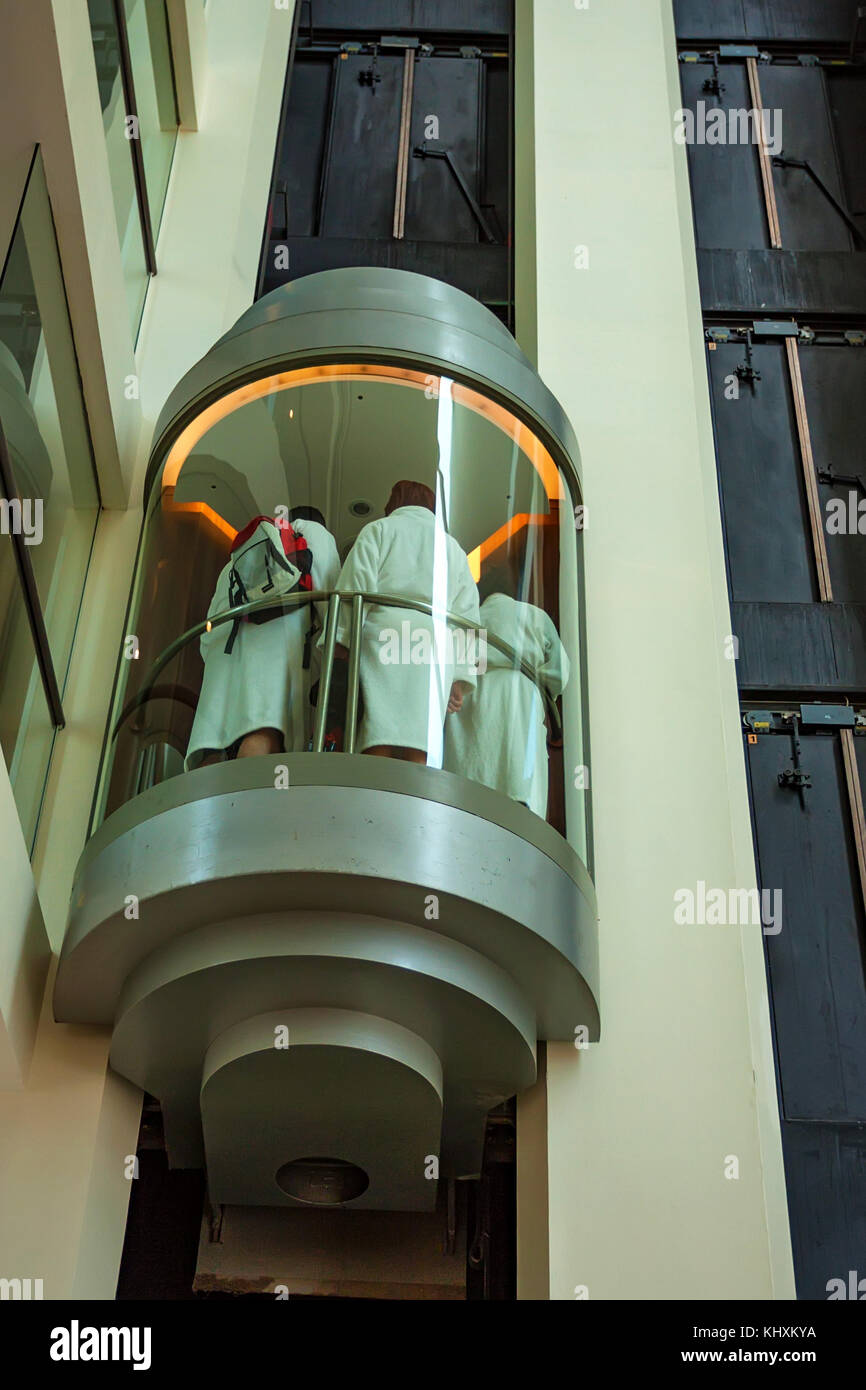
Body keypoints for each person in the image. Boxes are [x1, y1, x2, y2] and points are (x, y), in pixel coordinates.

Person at [327, 480, 480, 763]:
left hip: (384, 632)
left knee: (377, 733)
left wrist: (342, 642)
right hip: (435, 643)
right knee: (421, 741)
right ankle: (414, 803)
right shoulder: (453, 548)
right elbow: (467, 615)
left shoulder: (379, 530)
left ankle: (373, 800)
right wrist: (459, 678)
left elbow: (354, 589)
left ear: (394, 504)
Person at [185, 510, 320, 769]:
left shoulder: (239, 559)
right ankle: (242, 810)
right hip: (272, 659)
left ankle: (208, 808)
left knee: (214, 746)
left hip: (223, 659)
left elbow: (209, 629)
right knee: (260, 737)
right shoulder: (313, 535)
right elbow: (329, 599)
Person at [444, 565, 569, 818]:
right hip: (518, 696)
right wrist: (539, 682)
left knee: (468, 802)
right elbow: (560, 673)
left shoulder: (464, 620)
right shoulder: (534, 616)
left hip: (471, 696)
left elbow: (446, 663)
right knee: (517, 798)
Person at [287, 506, 341, 743]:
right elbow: (330, 601)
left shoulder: (262, 542)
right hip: (299, 651)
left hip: (247, 654)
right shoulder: (316, 533)